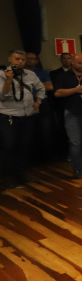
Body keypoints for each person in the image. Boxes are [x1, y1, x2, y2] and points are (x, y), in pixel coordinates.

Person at [1, 49, 46, 188]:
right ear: (10, 60)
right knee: (9, 147)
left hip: (28, 116)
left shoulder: (31, 74)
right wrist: (9, 80)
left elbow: (41, 89)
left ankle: (21, 175)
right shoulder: (2, 75)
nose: (20, 61)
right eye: (17, 59)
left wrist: (38, 102)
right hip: (9, 116)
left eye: (23, 59)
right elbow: (2, 96)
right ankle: (5, 177)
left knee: (24, 146)